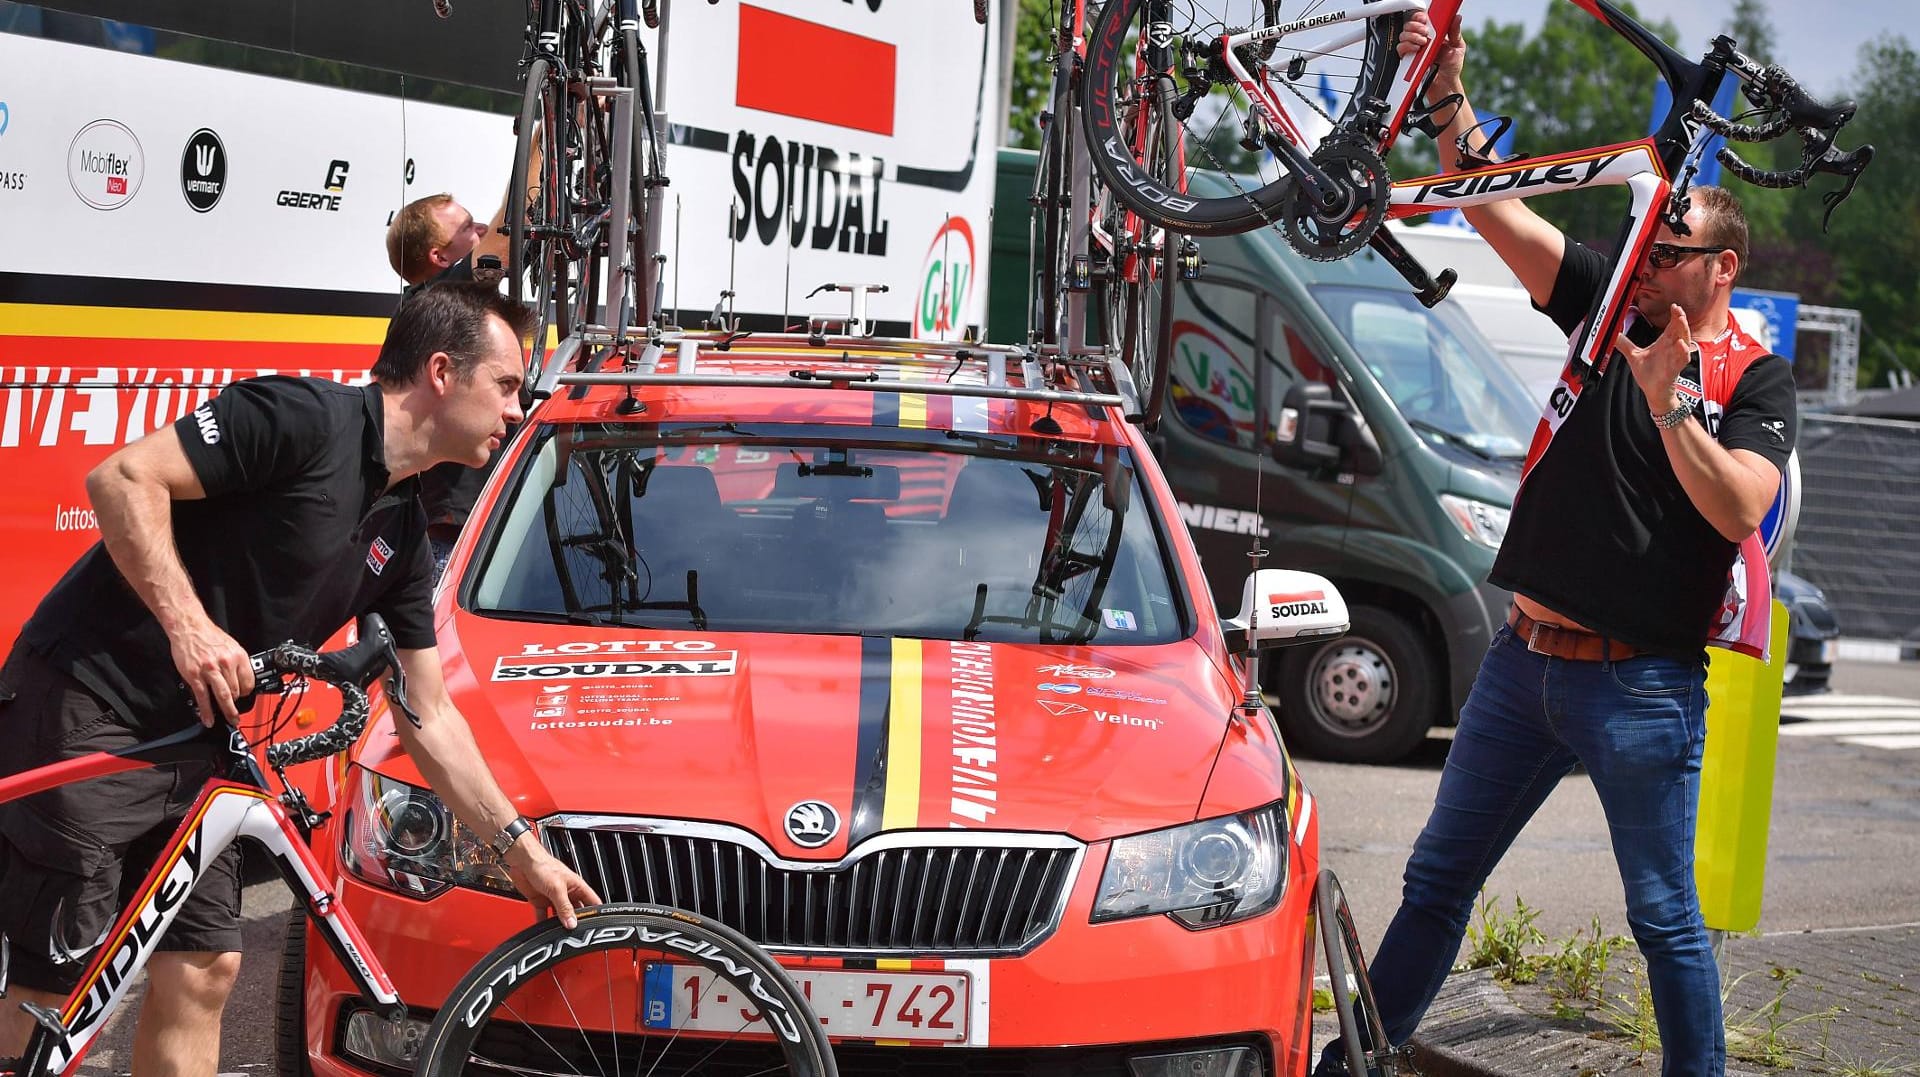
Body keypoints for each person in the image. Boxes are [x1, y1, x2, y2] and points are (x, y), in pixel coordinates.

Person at [1315, 14, 1799, 1077]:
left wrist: (1672, 408)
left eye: (1666, 252)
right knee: (1438, 879)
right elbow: (1489, 209)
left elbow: (1739, 509)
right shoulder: (1607, 301)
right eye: (1644, 246)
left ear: (1718, 267)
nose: (1644, 261)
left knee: (1665, 918)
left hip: (1641, 687)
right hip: (1524, 662)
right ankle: (1364, 1058)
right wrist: (1447, 87)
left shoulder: (1754, 379)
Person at [0, 284, 600, 1077]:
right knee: (54, 982)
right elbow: (121, 478)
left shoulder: (403, 528)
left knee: (206, 966)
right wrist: (190, 625)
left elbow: (429, 714)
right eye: (506, 384)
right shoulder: (302, 419)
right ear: (443, 371)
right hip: (90, 705)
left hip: (200, 737)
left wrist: (519, 849)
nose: (515, 410)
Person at [387, 191, 512, 302]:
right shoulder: (431, 305)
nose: (483, 228)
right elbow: (508, 233)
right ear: (440, 258)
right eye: (467, 227)